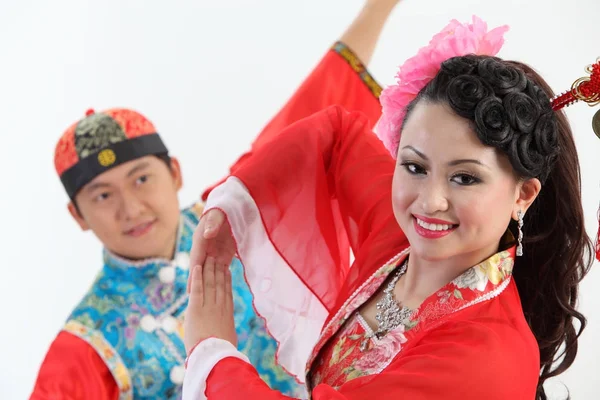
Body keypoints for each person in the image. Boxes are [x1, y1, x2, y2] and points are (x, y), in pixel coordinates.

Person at [182, 16, 598, 400]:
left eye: (465, 177)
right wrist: (230, 209)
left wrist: (211, 353)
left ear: (522, 194)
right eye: (415, 166)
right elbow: (338, 132)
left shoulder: (487, 357)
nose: (429, 202)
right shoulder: (399, 238)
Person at [29, 1, 403, 399]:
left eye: (141, 179)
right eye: (102, 195)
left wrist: (378, 7)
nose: (131, 207)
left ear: (174, 172)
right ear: (78, 215)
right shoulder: (84, 345)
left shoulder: (235, 215)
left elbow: (319, 101)